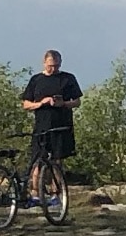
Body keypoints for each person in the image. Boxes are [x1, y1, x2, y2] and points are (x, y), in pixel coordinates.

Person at [16, 49, 80, 204]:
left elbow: (77, 101)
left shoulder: (68, 78)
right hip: (41, 126)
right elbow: (25, 104)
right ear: (44, 63)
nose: (54, 69)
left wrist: (63, 103)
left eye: (57, 66)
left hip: (61, 126)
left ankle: (55, 194)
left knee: (57, 161)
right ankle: (36, 194)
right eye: (51, 65)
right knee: (38, 160)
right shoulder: (36, 80)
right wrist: (41, 103)